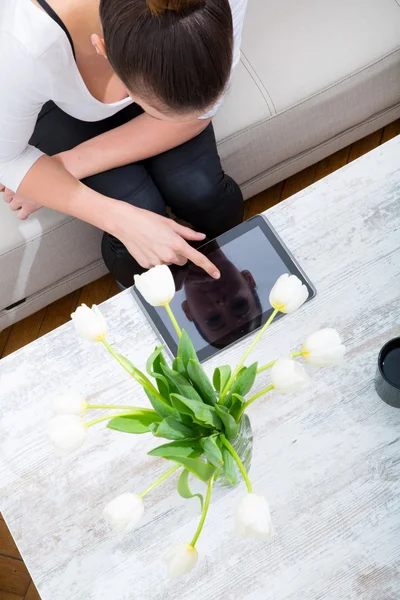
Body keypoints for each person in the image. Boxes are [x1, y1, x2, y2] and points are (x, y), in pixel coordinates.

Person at [0, 0, 247, 288]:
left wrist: (62, 167)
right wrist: (120, 220)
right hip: (51, 100)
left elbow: (201, 112)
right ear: (102, 50)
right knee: (138, 207)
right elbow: (6, 159)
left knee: (205, 194)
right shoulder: (24, 44)